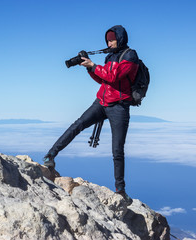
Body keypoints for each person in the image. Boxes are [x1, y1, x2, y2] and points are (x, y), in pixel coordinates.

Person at [43, 25, 139, 202]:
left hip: (119, 106)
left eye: (112, 39)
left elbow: (113, 76)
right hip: (101, 101)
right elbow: (102, 78)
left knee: (117, 150)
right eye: (108, 39)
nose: (109, 42)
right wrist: (89, 68)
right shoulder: (111, 56)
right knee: (77, 124)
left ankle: (120, 190)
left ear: (120, 38)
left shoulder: (130, 56)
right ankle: (50, 155)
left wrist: (93, 65)